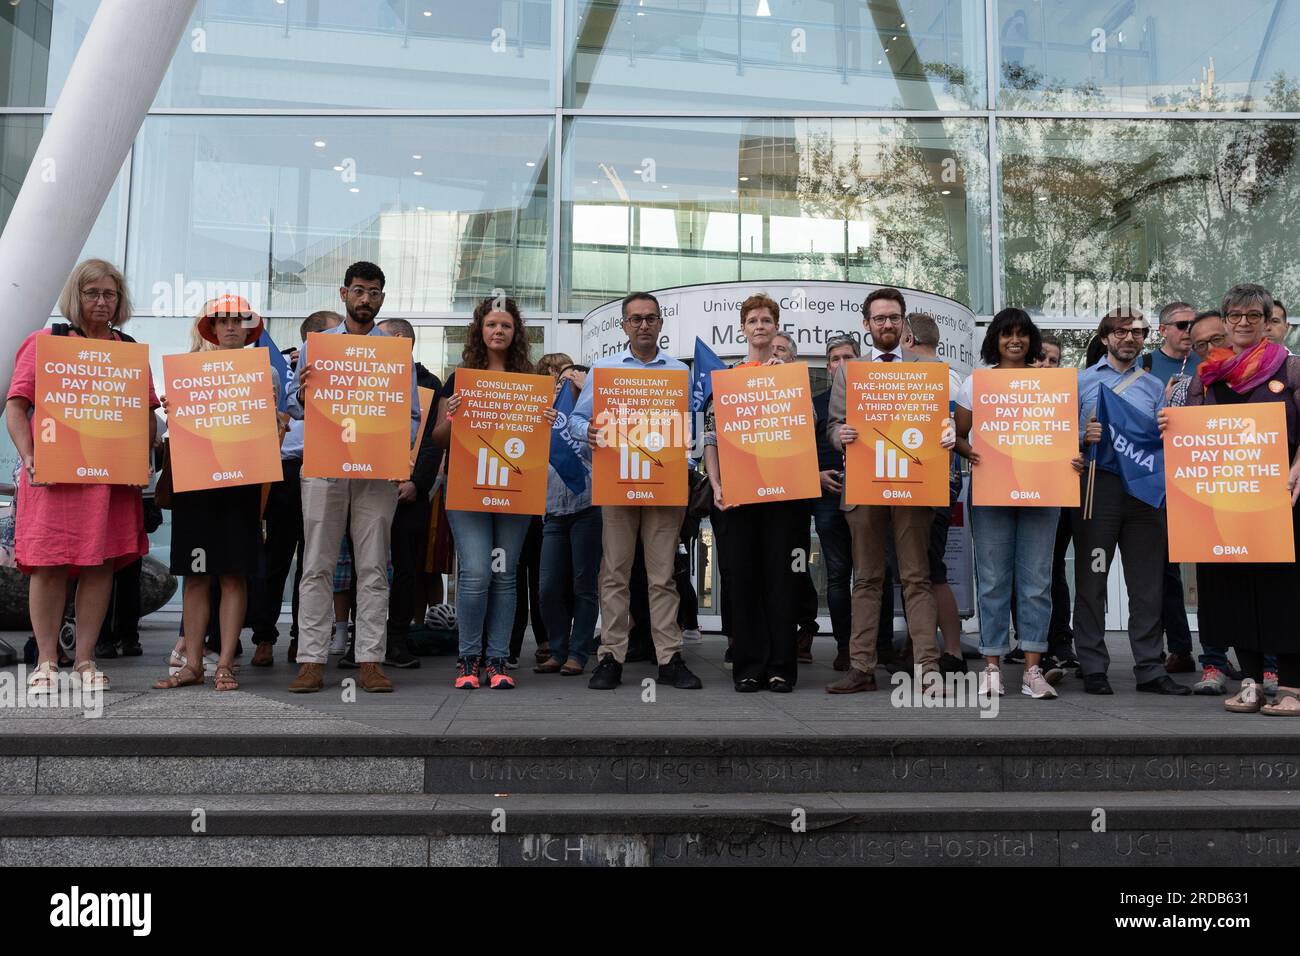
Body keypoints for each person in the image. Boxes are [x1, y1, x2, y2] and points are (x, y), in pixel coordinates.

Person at [6, 259, 159, 694]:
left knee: (100, 566)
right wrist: (30, 457)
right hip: (53, 479)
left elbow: (145, 414)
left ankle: (87, 660)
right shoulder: (45, 342)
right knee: (49, 567)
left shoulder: (128, 349)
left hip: (111, 481)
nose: (101, 301)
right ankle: (47, 662)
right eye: (92, 292)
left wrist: (143, 460)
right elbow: (16, 407)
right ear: (76, 295)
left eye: (109, 294)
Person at [1163, 284, 1300, 715]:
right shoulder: (1207, 378)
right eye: (1235, 316)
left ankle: (1294, 687)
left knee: (1284, 592)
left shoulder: (1291, 368)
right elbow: (1192, 436)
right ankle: (1253, 682)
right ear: (1224, 322)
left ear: (1267, 321)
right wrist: (1172, 421)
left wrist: (1299, 466)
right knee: (1232, 593)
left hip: (1282, 502)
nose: (1243, 323)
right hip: (1224, 504)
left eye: (1253, 316)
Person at [286, 261, 420, 694]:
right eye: (359, 290)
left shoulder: (395, 351)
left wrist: (395, 444)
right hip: (325, 467)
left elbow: (414, 416)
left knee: (374, 567)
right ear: (344, 293)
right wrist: (303, 390)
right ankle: (311, 660)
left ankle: (370, 660)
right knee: (316, 566)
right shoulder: (317, 346)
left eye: (375, 292)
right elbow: (295, 408)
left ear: (383, 297)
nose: (366, 299)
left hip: (377, 470)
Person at [571, 292, 702, 692]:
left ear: (661, 324)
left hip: (663, 485)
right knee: (614, 573)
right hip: (618, 483)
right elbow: (577, 420)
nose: (643, 325)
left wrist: (688, 462)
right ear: (624, 326)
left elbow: (691, 430)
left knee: (663, 576)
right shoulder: (605, 370)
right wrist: (588, 431)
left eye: (650, 318)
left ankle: (669, 657)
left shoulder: (679, 372)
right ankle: (611, 656)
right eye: (635, 319)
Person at [825, 288, 954, 694]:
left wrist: (948, 434)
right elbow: (831, 426)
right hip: (865, 484)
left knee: (916, 577)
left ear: (904, 323)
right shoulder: (851, 371)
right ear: (866, 324)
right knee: (866, 578)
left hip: (914, 484)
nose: (887, 324)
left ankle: (927, 669)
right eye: (879, 318)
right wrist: (838, 433)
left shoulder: (928, 368)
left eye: (894, 318)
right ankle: (862, 666)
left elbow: (943, 424)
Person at [155, 297, 280, 691]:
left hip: (241, 483)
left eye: (237, 321)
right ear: (211, 328)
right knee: (195, 576)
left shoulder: (267, 374)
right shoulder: (189, 372)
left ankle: (224, 662)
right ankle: (192, 663)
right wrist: (171, 409)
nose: (229, 327)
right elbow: (176, 430)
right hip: (197, 484)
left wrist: (274, 417)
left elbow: (274, 432)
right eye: (221, 321)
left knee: (233, 574)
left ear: (249, 328)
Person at [432, 296, 549, 690]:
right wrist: (453, 415)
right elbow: (438, 438)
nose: (498, 331)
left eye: (506, 326)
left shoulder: (531, 381)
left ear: (516, 334)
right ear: (479, 331)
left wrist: (548, 419)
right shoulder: (460, 378)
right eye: (491, 324)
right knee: (477, 572)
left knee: (504, 575)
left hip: (514, 487)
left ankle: (498, 660)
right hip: (469, 488)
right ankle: (468, 661)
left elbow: (537, 442)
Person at [1075, 308, 1189, 696]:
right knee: (1092, 582)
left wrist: (1167, 424)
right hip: (1097, 489)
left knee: (1147, 585)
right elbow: (1057, 439)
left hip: (1144, 493)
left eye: (1137, 333)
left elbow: (1167, 440)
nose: (1129, 338)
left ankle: (1150, 668)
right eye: (1121, 332)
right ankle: (1092, 666)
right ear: (1105, 337)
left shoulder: (1156, 386)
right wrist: (1081, 435)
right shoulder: (1081, 382)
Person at [701, 294, 807, 692]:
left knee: (781, 582)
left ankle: (782, 666)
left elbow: (807, 431)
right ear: (742, 328)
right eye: (753, 320)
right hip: (739, 496)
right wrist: (715, 483)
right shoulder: (727, 379)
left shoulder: (792, 376)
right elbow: (710, 438)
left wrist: (786, 380)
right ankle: (747, 666)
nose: (760, 326)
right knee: (742, 580)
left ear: (776, 327)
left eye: (767, 320)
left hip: (783, 497)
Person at [953, 309, 1059, 699]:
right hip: (992, 488)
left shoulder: (1050, 384)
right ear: (994, 340)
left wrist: (1074, 456)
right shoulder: (975, 383)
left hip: (1042, 489)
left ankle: (1033, 669)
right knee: (994, 579)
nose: (1014, 341)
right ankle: (992, 665)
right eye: (1005, 335)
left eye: (1021, 334)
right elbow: (960, 436)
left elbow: (1062, 437)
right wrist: (972, 454)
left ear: (1031, 339)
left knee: (1036, 582)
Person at [250, 310, 341, 667]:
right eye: (334, 334)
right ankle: (263, 636)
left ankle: (303, 640)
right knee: (277, 558)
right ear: (312, 339)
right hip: (287, 472)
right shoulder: (284, 370)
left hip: (326, 470)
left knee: (315, 560)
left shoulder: (345, 373)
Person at [376, 318, 443, 669]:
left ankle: (398, 640)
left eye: (381, 336)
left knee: (405, 569)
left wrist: (416, 481)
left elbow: (433, 442)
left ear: (402, 341)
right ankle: (363, 642)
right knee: (367, 567)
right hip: (370, 487)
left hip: (411, 492)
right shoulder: (367, 374)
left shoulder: (430, 384)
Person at [1138, 302, 1200, 674]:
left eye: (1193, 324)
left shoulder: (1212, 363)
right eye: (1181, 324)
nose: (1189, 330)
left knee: (1215, 568)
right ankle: (1179, 647)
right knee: (1165, 569)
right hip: (1159, 480)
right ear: (1163, 330)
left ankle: (1218, 652)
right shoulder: (1145, 367)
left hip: (1206, 477)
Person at [905, 313, 966, 674]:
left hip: (923, 484)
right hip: (943, 483)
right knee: (927, 570)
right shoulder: (955, 378)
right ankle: (939, 648)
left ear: (909, 339)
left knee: (927, 572)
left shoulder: (916, 377)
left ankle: (951, 652)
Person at [535, 356, 600, 676]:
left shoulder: (591, 415)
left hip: (588, 508)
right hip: (553, 511)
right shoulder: (546, 415)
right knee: (547, 587)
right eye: (562, 379)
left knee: (583, 585)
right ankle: (557, 649)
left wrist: (583, 394)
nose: (566, 383)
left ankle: (578, 652)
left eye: (575, 378)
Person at [771, 331, 820, 659]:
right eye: (771, 349)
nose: (775, 354)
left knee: (794, 566)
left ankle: (805, 625)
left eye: (782, 351)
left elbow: (811, 423)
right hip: (758, 496)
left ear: (792, 359)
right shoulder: (744, 383)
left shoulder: (799, 389)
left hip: (794, 498)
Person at [812, 334, 858, 671]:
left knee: (876, 574)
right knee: (839, 576)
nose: (842, 363)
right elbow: (799, 449)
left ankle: (879, 646)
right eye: (836, 358)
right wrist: (815, 474)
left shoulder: (877, 395)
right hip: (829, 499)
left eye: (849, 357)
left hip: (871, 498)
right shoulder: (815, 403)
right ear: (828, 367)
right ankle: (844, 647)